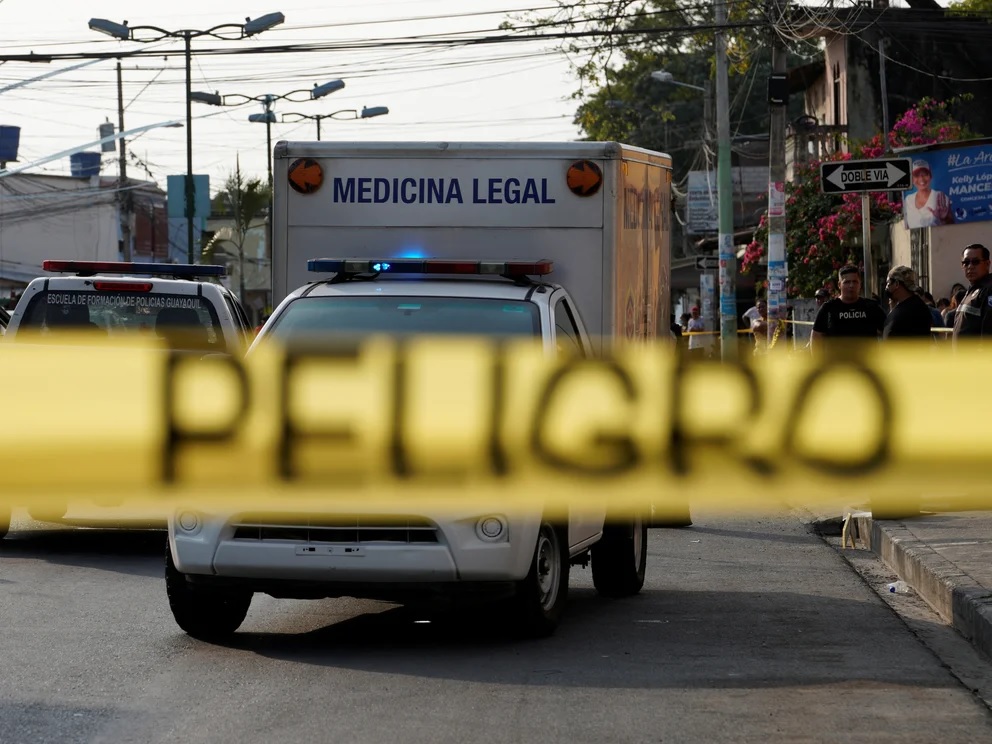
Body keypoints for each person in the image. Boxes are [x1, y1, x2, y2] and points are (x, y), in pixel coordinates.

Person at [811, 265, 886, 348]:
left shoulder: (871, 307)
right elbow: (816, 339)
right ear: (839, 285)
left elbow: (889, 333)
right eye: (846, 282)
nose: (851, 285)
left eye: (855, 282)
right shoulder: (828, 308)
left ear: (860, 284)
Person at [952, 242, 992, 344]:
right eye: (966, 263)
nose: (970, 266)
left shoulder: (988, 290)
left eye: (975, 262)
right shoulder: (971, 291)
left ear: (987, 264)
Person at [882, 266, 933, 339]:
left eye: (888, 283)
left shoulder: (914, 309)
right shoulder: (917, 306)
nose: (886, 287)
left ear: (896, 284)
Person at [903, 159, 954, 229]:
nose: (921, 179)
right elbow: (906, 227)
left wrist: (943, 219)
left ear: (930, 176)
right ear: (912, 179)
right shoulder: (908, 200)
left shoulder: (940, 197)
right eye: (917, 175)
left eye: (924, 174)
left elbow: (952, 227)